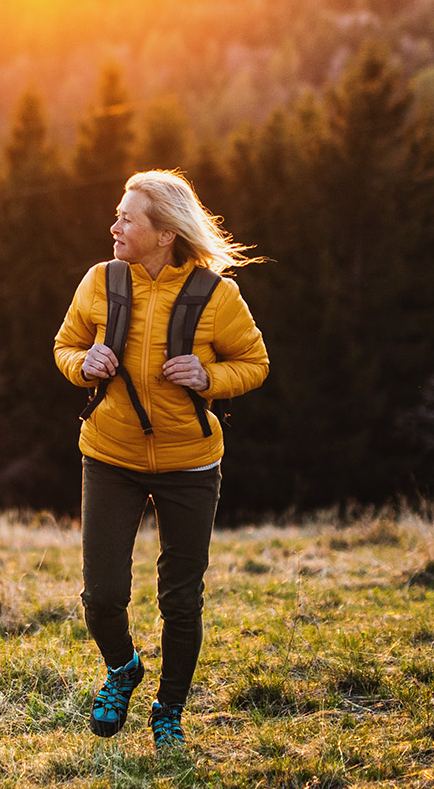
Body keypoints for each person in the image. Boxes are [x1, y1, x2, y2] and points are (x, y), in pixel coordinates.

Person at [52, 169, 269, 747]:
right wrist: (83, 364)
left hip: (190, 465)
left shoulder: (217, 297)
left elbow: (255, 363)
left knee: (180, 598)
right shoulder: (100, 282)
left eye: (128, 217)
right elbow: (64, 344)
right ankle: (123, 668)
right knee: (101, 595)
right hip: (110, 455)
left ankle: (168, 708)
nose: (114, 225)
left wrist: (209, 376)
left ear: (164, 233)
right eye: (118, 213)